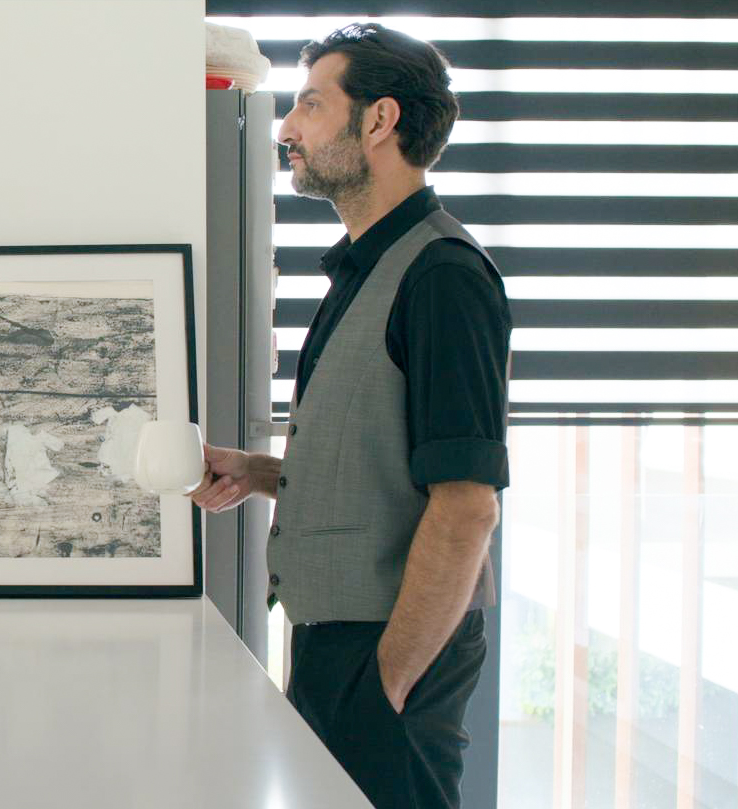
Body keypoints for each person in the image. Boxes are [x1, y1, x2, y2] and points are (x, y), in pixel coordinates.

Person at [192, 23, 511, 809]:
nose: (287, 130)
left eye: (310, 104)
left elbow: (466, 505)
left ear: (379, 121)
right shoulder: (367, 269)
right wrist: (260, 472)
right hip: (338, 642)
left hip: (388, 652)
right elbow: (386, 466)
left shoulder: (443, 277)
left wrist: (388, 684)